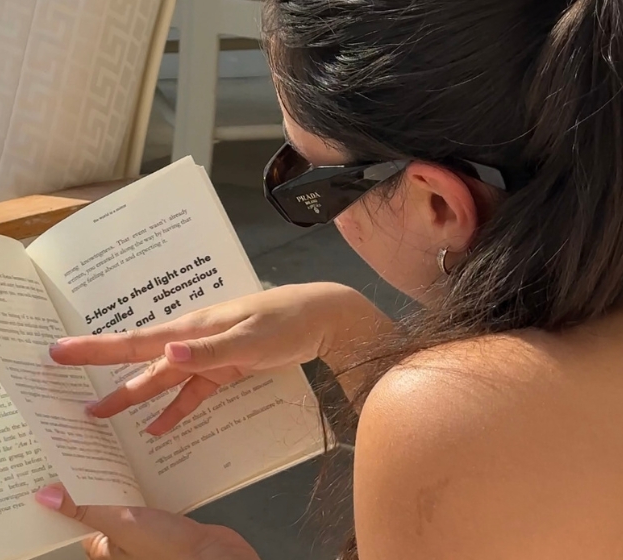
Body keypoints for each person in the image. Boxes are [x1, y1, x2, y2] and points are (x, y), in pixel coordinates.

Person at [32, 0, 623, 557]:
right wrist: (347, 330)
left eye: (308, 180)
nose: (310, 206)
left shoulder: (453, 418)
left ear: (436, 204)